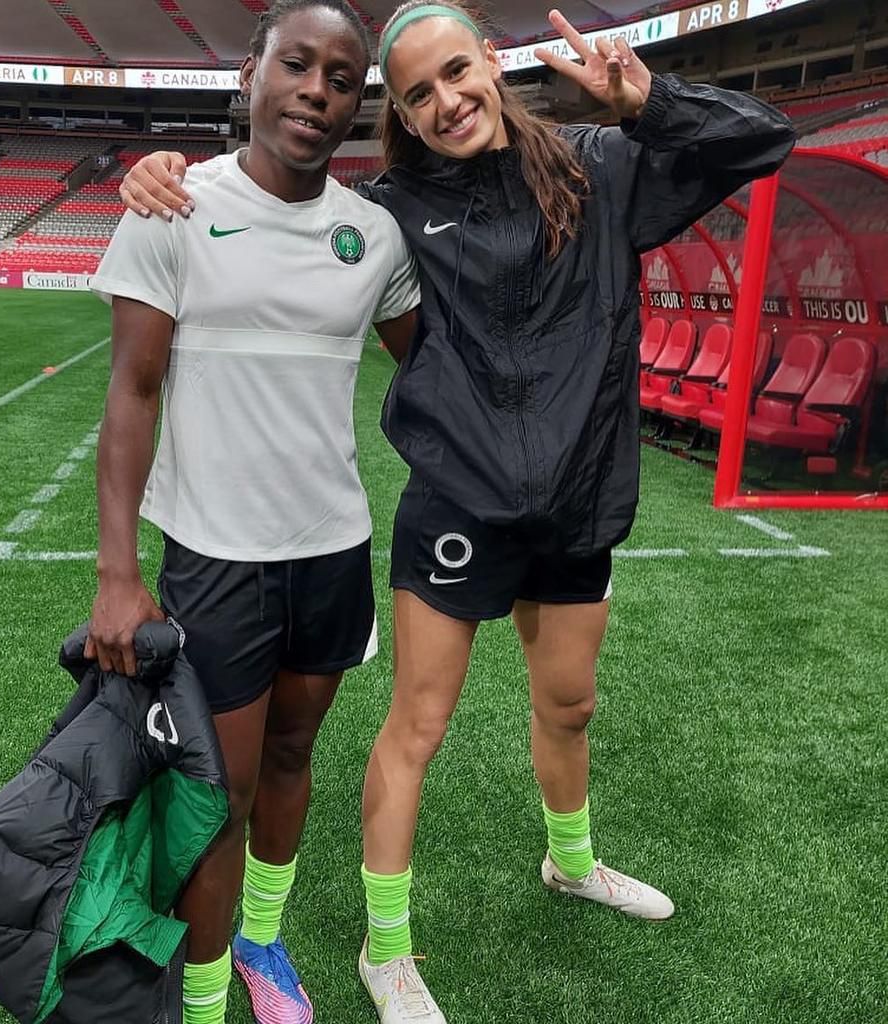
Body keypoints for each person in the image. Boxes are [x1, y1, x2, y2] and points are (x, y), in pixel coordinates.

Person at [121, 6, 795, 1021]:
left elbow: (764, 142)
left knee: (569, 704)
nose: (446, 102)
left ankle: (571, 861)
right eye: (418, 92)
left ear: (492, 63)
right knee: (415, 726)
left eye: (456, 73)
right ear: (399, 112)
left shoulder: (601, 166)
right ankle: (385, 952)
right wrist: (163, 169)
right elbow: (301, 215)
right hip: (459, 511)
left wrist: (648, 99)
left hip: (577, 506)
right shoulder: (393, 208)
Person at [85, 3, 420, 1023]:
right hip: (216, 558)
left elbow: (433, 367)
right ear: (253, 70)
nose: (318, 91)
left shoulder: (375, 234)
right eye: (299, 65)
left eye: (343, 77)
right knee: (214, 791)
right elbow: (131, 392)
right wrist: (116, 572)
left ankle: (260, 948)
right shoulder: (171, 208)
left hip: (330, 552)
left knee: (290, 757)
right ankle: (199, 992)